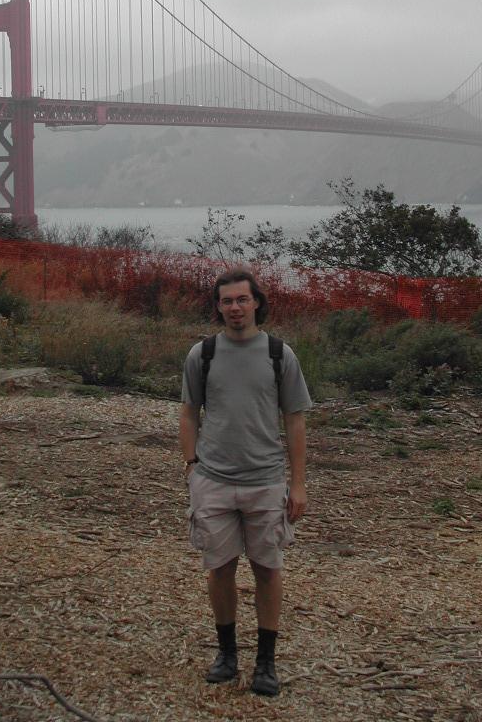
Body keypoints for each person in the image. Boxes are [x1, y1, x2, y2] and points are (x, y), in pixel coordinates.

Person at [179, 269, 311, 697]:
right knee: (219, 569)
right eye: (226, 301)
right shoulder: (203, 353)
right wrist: (190, 465)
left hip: (265, 480)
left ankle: (266, 663)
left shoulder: (279, 354)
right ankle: (227, 654)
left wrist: (299, 483)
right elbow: (188, 411)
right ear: (217, 307)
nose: (234, 307)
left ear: (257, 302)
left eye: (242, 299)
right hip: (213, 479)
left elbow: (295, 421)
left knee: (268, 569)